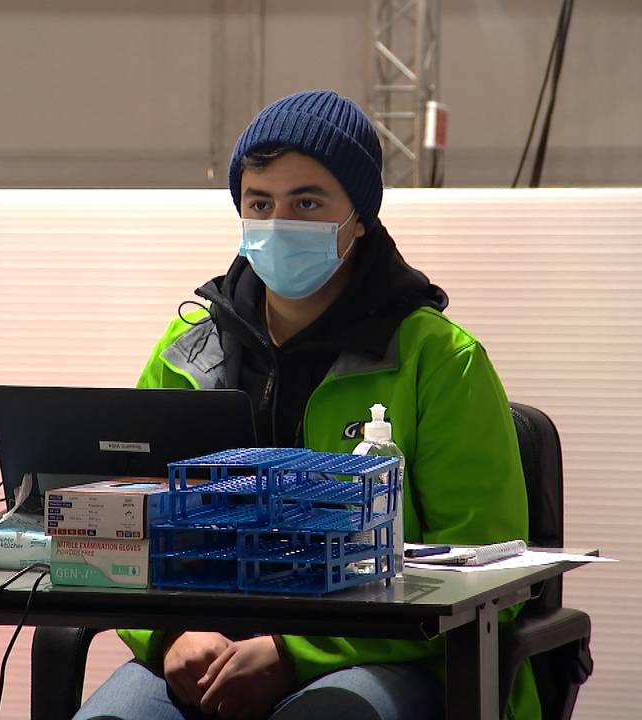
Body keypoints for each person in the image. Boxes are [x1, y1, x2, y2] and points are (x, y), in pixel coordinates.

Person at [75, 91, 537, 720]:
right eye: (259, 203)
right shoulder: (188, 353)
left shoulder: (439, 359)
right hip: (204, 645)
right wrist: (169, 635)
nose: (277, 222)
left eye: (307, 203)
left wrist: (294, 653)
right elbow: (126, 531)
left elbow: (487, 572)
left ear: (361, 217)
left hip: (388, 655)